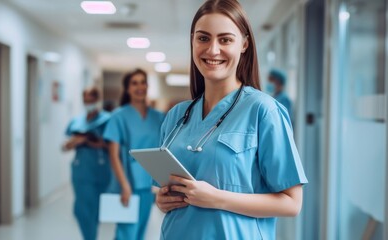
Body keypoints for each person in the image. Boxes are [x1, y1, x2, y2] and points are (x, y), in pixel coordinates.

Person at [155, 0, 308, 239]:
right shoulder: (177, 115)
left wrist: (217, 199)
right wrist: (163, 199)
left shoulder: (263, 110)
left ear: (244, 44)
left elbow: (291, 203)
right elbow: (169, 188)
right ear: (192, 40)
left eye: (225, 39)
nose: (212, 50)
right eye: (203, 38)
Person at [103, 69, 165, 240]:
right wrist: (124, 185)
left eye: (143, 82)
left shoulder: (158, 117)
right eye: (134, 83)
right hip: (128, 183)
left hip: (148, 185)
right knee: (126, 234)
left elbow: (163, 150)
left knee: (140, 232)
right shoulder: (118, 116)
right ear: (127, 89)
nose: (139, 87)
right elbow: (113, 155)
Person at [62, 87, 111, 240]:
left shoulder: (107, 119)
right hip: (81, 171)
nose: (88, 103)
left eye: (91, 100)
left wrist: (89, 140)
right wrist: (73, 143)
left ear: (97, 100)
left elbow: (113, 144)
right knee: (81, 211)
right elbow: (65, 145)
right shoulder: (77, 121)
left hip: (101, 171)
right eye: (86, 101)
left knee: (95, 211)